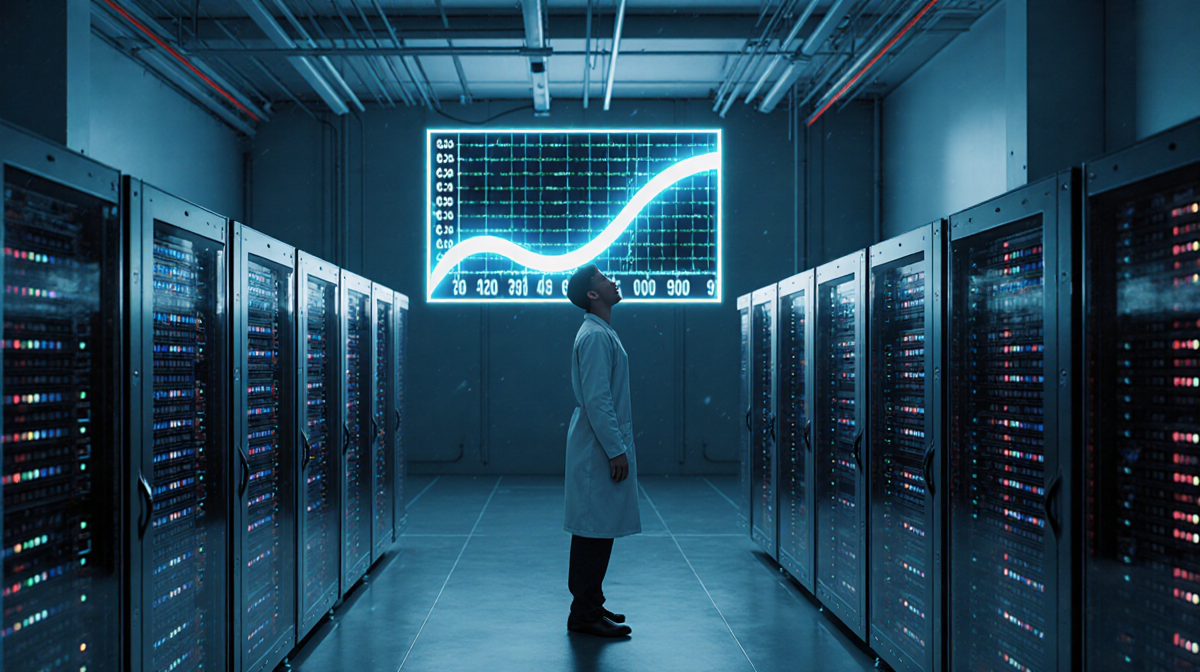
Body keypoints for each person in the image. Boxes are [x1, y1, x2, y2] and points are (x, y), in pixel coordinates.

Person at [563, 264, 641, 638]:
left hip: (599, 442)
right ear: (593, 294)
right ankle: (584, 613)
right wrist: (616, 449)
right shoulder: (594, 336)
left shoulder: (600, 332)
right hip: (599, 446)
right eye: (602, 278)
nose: (612, 281)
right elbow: (598, 400)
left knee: (598, 528)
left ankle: (592, 603)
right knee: (593, 530)